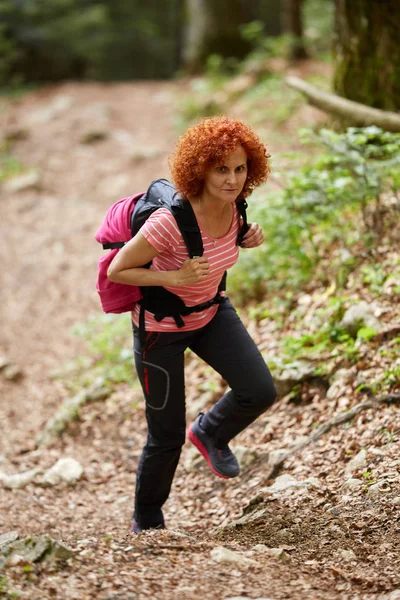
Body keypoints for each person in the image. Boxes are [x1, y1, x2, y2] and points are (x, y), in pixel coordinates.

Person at [107, 116, 277, 533]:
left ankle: (211, 432)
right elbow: (118, 270)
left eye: (240, 169)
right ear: (199, 169)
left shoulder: (236, 207)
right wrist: (173, 276)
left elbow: (220, 244)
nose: (232, 179)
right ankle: (147, 519)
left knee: (259, 390)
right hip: (159, 332)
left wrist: (247, 235)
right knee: (165, 436)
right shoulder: (167, 223)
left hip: (212, 314)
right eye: (221, 169)